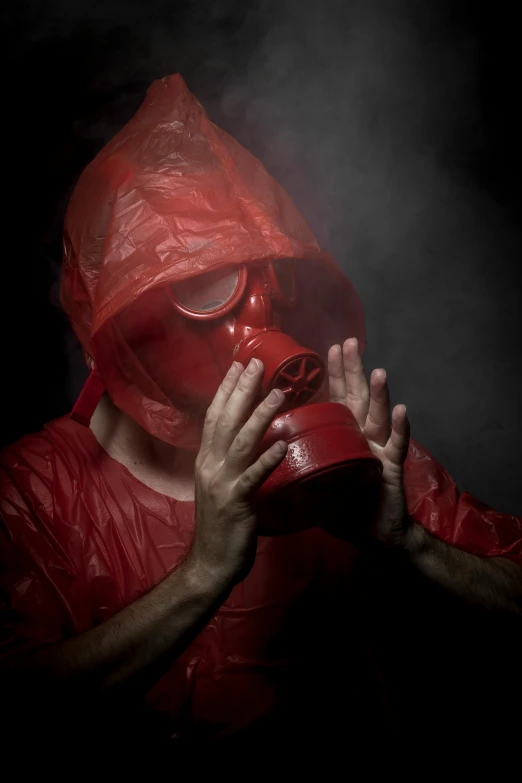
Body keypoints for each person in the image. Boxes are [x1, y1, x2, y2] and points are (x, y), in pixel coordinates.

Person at [1, 74, 521, 766]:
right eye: (207, 285)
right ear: (123, 320)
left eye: (267, 276)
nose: (259, 315)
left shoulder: (345, 444)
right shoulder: (38, 491)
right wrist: (203, 572)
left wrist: (408, 542)